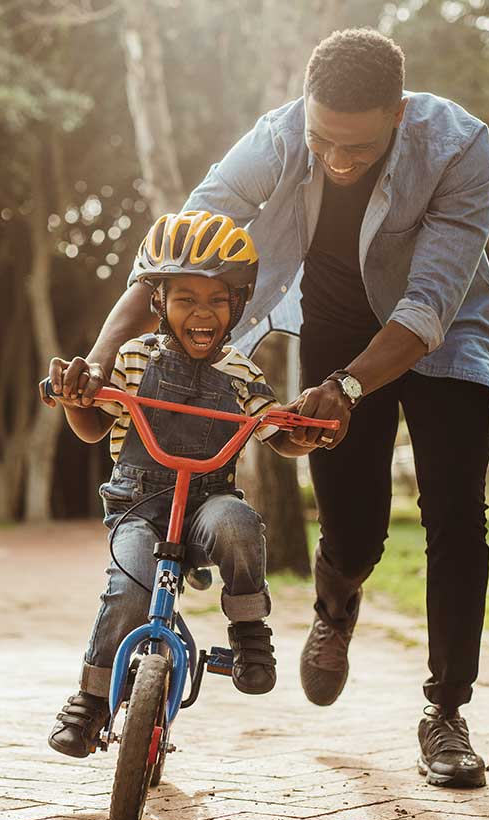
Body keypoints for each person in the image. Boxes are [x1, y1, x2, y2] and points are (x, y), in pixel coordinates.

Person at [45, 28, 489, 788]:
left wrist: (351, 386)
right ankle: (336, 601)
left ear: (398, 113)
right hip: (336, 319)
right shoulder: (278, 136)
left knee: (456, 511)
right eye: (323, 139)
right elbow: (172, 254)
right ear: (305, 111)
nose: (337, 159)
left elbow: (428, 303)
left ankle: (447, 711)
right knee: (354, 527)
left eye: (358, 147)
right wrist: (99, 360)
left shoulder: (460, 147)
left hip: (444, 328)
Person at [41, 211, 319, 758]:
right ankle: (91, 700)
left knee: (239, 526)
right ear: (159, 303)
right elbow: (95, 425)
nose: (202, 312)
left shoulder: (241, 372)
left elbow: (275, 431)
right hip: (138, 506)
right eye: (186, 298)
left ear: (237, 306)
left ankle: (248, 633)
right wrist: (77, 400)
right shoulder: (131, 358)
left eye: (218, 300)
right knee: (129, 587)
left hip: (207, 503)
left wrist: (303, 433)